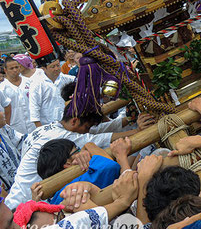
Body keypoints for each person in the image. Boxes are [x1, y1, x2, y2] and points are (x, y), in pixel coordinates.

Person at [5, 104, 154, 209]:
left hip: (22, 197)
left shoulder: (48, 127)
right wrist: (136, 132)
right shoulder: (63, 138)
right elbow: (101, 143)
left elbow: (97, 132)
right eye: (86, 128)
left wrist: (127, 121)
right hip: (24, 202)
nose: (86, 132)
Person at [29, 58, 75, 127]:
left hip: (68, 124)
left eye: (58, 65)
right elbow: (34, 108)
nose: (56, 68)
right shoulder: (37, 83)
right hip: (48, 125)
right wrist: (41, 130)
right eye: (52, 67)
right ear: (44, 69)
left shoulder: (69, 79)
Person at [0, 57, 34, 134]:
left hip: (32, 125)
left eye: (16, 67)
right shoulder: (2, 88)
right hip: (15, 129)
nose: (15, 70)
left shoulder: (29, 82)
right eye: (11, 68)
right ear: (5, 70)